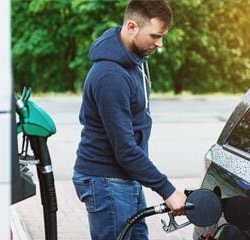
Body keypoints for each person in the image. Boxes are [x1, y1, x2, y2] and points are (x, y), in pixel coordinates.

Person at [72, 0, 187, 239]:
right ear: (132, 27)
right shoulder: (111, 76)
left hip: (124, 176)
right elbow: (124, 148)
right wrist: (167, 190)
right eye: (155, 35)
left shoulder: (133, 63)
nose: (160, 43)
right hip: (106, 180)